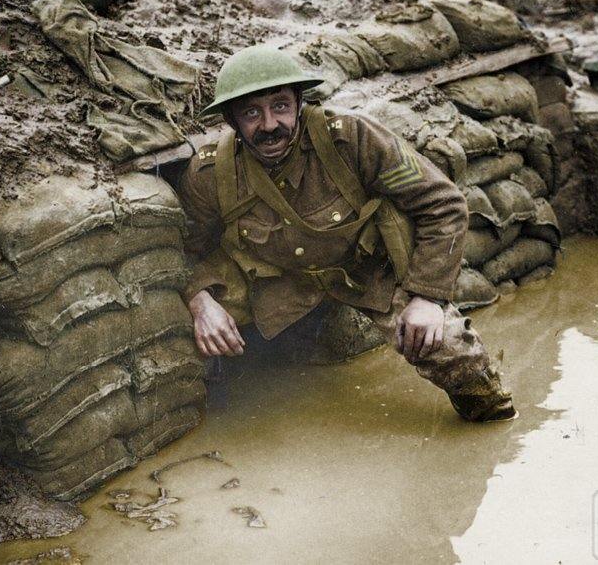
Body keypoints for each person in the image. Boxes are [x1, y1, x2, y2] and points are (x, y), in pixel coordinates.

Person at [177, 44, 515, 422]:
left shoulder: (350, 138)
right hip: (277, 279)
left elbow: (443, 203)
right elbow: (187, 248)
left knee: (455, 352)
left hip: (368, 271)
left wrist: (427, 298)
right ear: (232, 120)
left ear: (299, 103)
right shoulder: (211, 174)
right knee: (184, 334)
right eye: (252, 112)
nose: (270, 124)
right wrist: (199, 299)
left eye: (281, 106)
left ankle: (488, 424)